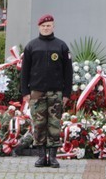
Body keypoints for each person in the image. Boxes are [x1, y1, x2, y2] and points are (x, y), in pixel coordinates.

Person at [21, 14, 73, 168]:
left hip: (55, 93)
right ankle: (41, 156)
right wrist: (25, 93)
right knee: (39, 125)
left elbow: (68, 72)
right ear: (39, 27)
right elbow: (24, 72)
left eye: (49, 25)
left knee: (54, 125)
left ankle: (53, 157)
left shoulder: (61, 46)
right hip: (36, 93)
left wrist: (66, 94)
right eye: (43, 26)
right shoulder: (32, 46)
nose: (46, 28)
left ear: (53, 27)